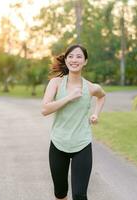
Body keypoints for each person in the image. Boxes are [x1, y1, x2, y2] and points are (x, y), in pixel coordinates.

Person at [41, 44, 106, 200]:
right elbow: (45, 109)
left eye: (79, 56)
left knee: (79, 195)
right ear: (66, 59)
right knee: (60, 193)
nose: (74, 60)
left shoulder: (91, 87)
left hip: (82, 144)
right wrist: (69, 97)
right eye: (70, 56)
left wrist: (96, 114)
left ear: (85, 61)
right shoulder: (56, 83)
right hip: (58, 143)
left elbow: (102, 96)